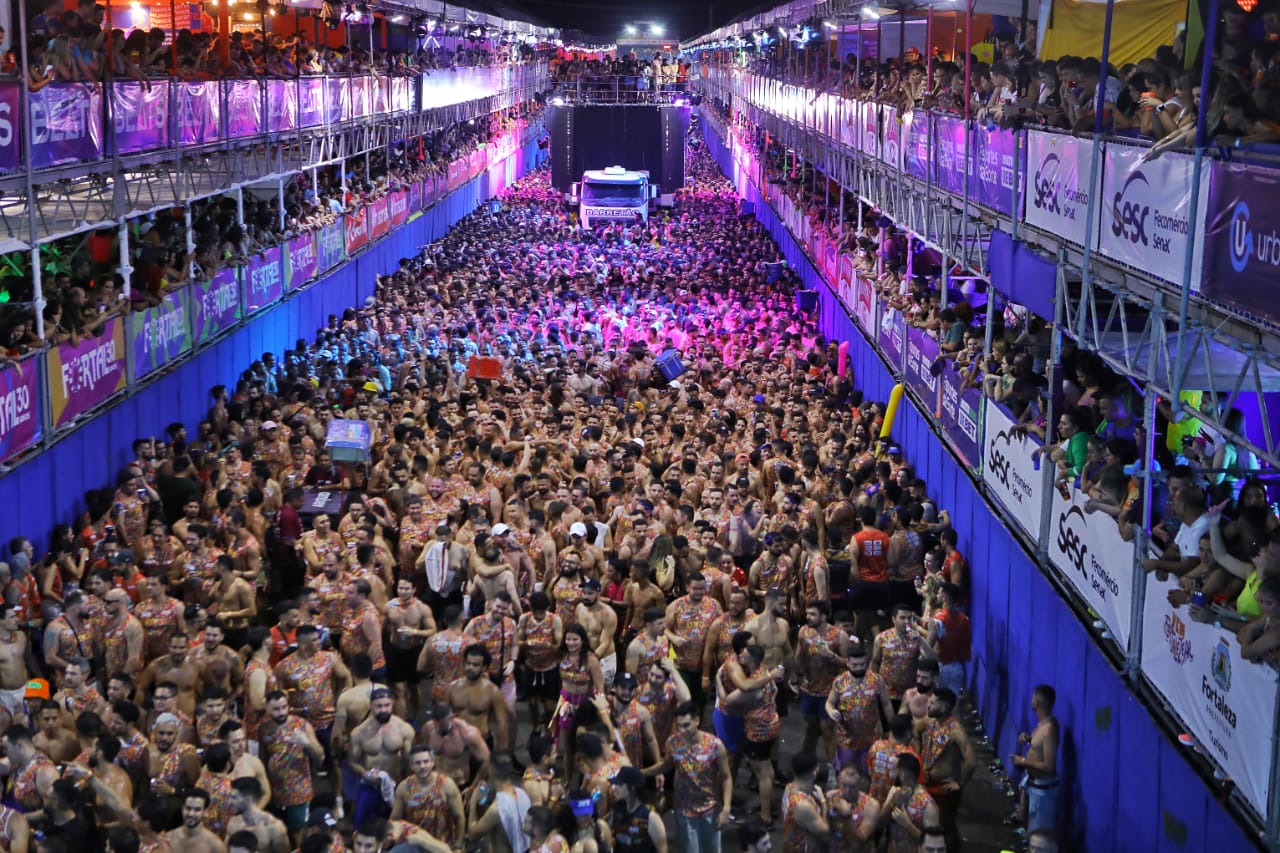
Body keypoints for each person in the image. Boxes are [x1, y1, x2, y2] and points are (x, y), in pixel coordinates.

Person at [648, 701, 732, 852]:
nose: (682, 730)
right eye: (679, 726)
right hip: (684, 810)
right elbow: (667, 765)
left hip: (709, 809)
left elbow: (726, 777)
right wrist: (642, 772)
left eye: (686, 725)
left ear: (697, 721)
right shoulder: (673, 743)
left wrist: (726, 808)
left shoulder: (715, 745)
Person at [259, 689, 325, 837]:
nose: (282, 712)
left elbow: (320, 757)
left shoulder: (302, 725)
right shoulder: (264, 729)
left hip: (298, 791)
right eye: (276, 709)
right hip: (275, 792)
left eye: (284, 707)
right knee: (279, 831)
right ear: (267, 709)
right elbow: (263, 759)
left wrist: (307, 744)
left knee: (297, 832)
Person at [347, 686, 415, 826]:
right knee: (362, 825)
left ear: (392, 704)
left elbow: (409, 761)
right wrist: (365, 774)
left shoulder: (404, 729)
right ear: (371, 706)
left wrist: (410, 785)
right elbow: (352, 762)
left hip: (397, 783)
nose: (383, 710)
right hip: (371, 785)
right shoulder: (359, 733)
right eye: (379, 706)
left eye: (387, 705)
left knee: (399, 825)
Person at [1013, 684, 1060, 836]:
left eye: (1033, 697)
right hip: (1034, 785)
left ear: (1037, 702)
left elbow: (1049, 766)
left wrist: (1023, 761)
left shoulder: (1049, 729)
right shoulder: (1043, 724)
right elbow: (1040, 747)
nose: (1031, 700)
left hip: (1043, 792)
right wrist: (1029, 739)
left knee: (1038, 835)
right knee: (1029, 829)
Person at [607, 765, 667, 853]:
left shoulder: (651, 817)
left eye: (619, 785)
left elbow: (663, 850)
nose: (614, 788)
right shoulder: (617, 813)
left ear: (632, 788)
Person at [781, 751, 830, 850]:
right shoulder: (803, 805)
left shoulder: (789, 787)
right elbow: (825, 832)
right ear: (814, 771)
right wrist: (823, 802)